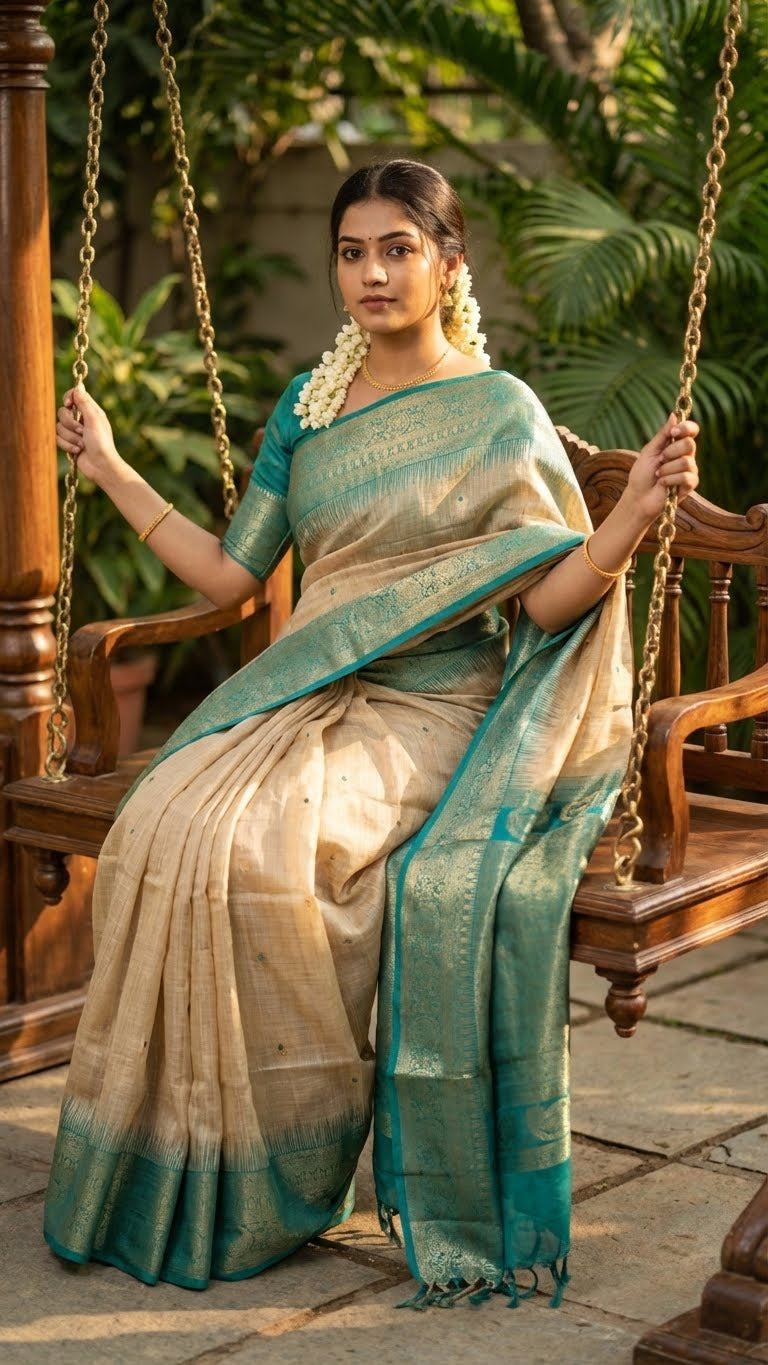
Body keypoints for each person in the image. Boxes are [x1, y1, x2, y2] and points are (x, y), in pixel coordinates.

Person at [47, 159, 698, 1305]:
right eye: (353, 252)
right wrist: (106, 464)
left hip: (436, 708)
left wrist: (629, 519)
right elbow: (235, 573)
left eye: (398, 248)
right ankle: (177, 1154)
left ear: (450, 264)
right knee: (162, 822)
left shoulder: (500, 416)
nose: (373, 273)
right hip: (309, 695)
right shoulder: (310, 408)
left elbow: (542, 603)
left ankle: (283, 1169)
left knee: (261, 852)